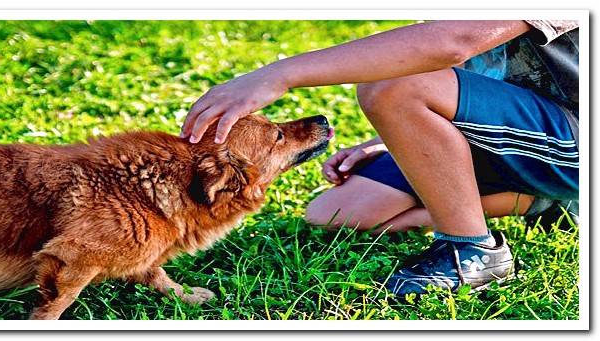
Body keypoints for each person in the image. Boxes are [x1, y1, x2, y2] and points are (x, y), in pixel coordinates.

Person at [181, 20, 579, 296]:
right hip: (510, 127)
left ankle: (472, 248)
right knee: (336, 213)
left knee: (391, 86)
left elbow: (454, 42)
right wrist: (403, 134)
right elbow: (466, 66)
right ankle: (540, 201)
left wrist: (279, 74)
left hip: (578, 136)